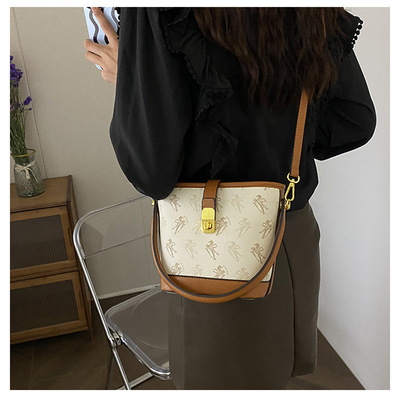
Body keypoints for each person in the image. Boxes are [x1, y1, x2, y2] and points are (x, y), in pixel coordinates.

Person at [84, 7, 376, 390]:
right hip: (291, 236)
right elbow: (353, 120)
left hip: (212, 253)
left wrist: (134, 82)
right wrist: (279, 138)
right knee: (274, 376)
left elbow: (151, 171)